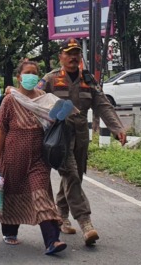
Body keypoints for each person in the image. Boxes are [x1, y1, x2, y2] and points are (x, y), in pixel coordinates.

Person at [39, 37, 127, 246]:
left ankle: (61, 214)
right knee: (71, 175)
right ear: (60, 57)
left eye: (76, 53)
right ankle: (85, 221)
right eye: (68, 53)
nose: (73, 57)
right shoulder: (50, 79)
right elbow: (37, 101)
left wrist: (117, 127)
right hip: (59, 137)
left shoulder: (88, 79)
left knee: (75, 175)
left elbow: (102, 104)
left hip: (81, 135)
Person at [0, 60, 67, 255]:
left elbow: (58, 120)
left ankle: (52, 240)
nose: (31, 76)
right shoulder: (10, 100)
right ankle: (9, 231)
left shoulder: (45, 99)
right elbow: (1, 131)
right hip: (13, 156)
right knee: (12, 194)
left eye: (35, 73)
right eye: (27, 73)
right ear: (19, 77)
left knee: (41, 195)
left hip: (39, 157)